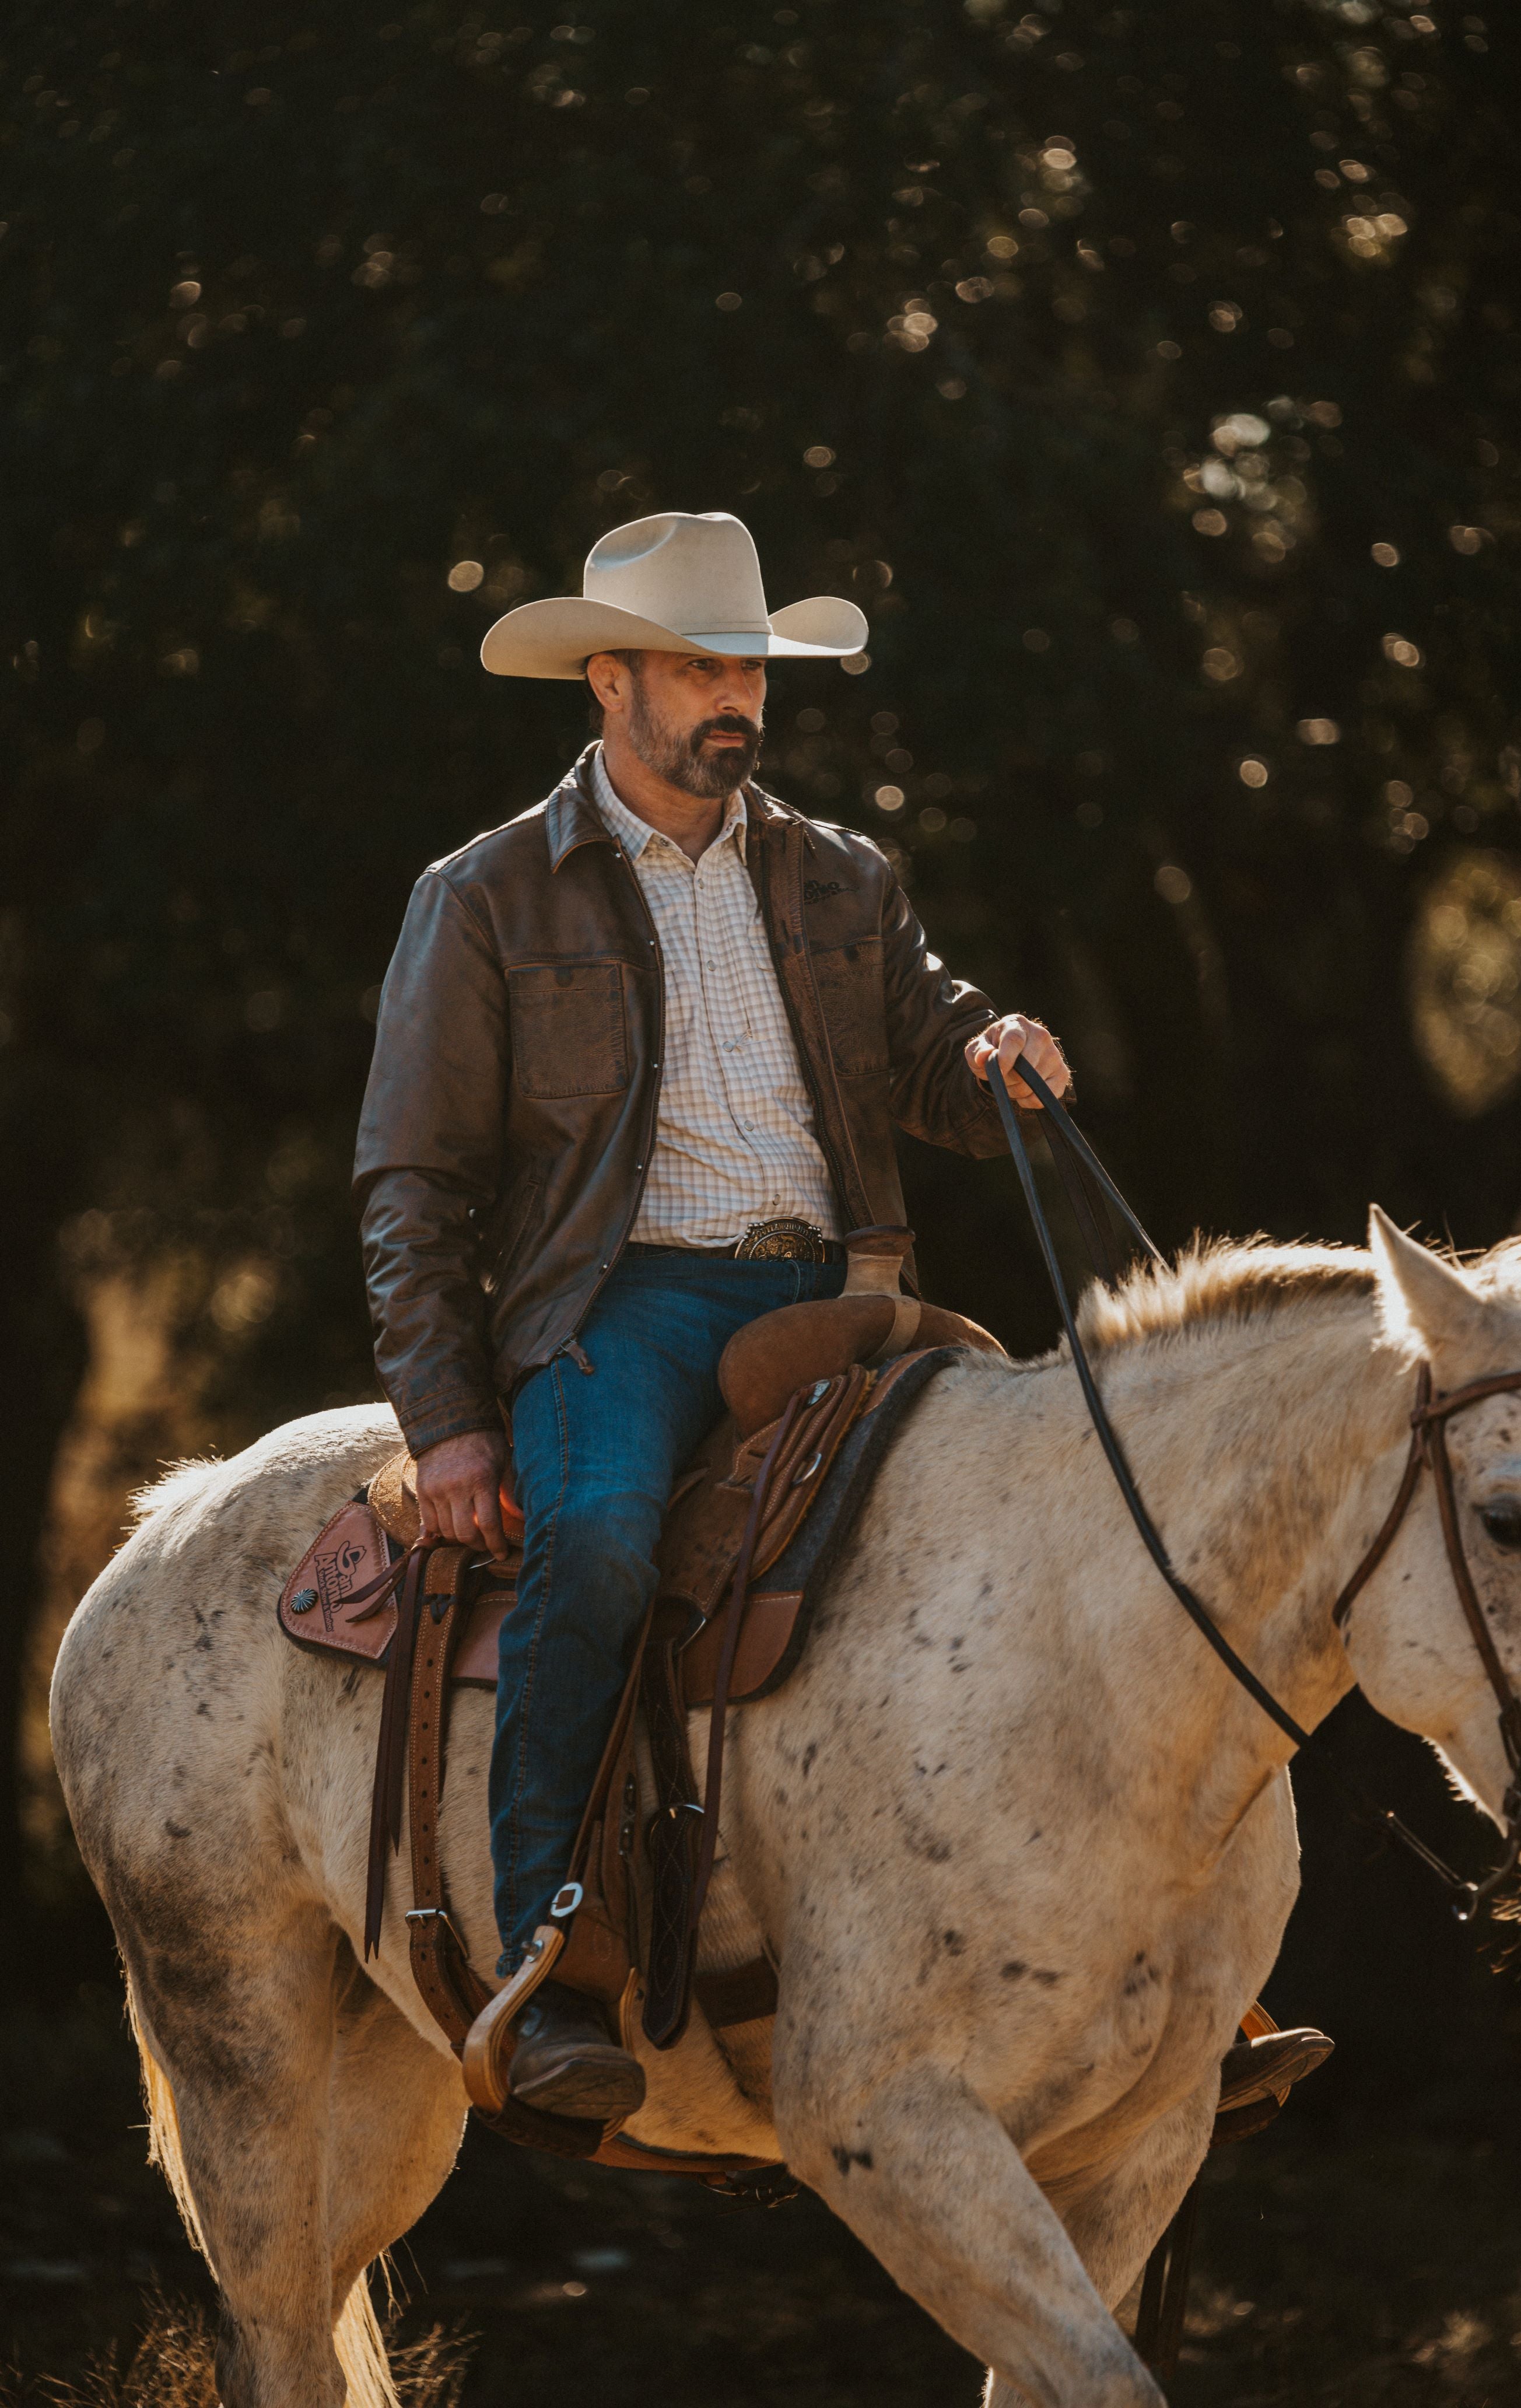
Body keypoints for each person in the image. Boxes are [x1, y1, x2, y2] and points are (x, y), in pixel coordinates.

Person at [354, 510, 1072, 2120]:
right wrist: (451, 1422)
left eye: (749, 664)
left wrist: (983, 1049)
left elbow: (922, 1035)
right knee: (601, 1540)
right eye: (698, 665)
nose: (734, 695)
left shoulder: (842, 874)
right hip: (628, 1305)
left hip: (849, 1293)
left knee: (1054, 1534)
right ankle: (544, 1964)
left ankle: (1120, 1969)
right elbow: (411, 1183)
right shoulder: (487, 897)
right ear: (608, 681)